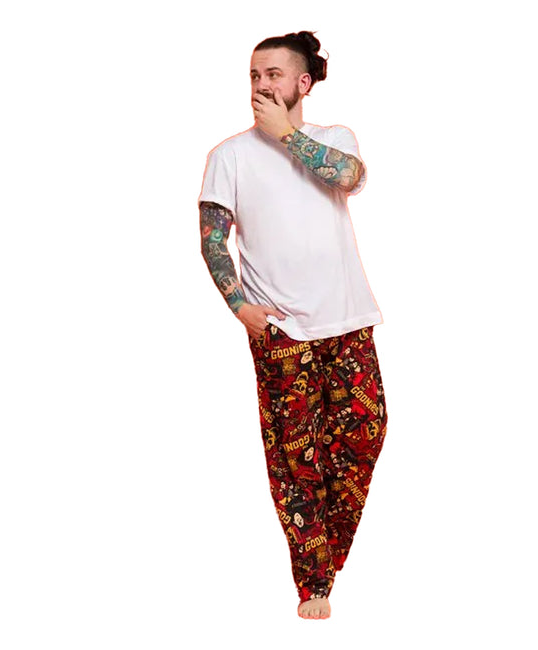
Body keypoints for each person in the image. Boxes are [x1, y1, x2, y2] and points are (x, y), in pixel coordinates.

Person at [198, 30, 388, 620]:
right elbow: (213, 239)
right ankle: (314, 582)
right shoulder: (228, 156)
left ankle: (328, 550)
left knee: (366, 431)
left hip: (347, 318)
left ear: (303, 83)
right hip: (280, 331)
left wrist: (286, 135)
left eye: (273, 75)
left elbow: (349, 177)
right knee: (294, 455)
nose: (261, 84)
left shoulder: (333, 138)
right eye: (254, 75)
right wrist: (240, 306)